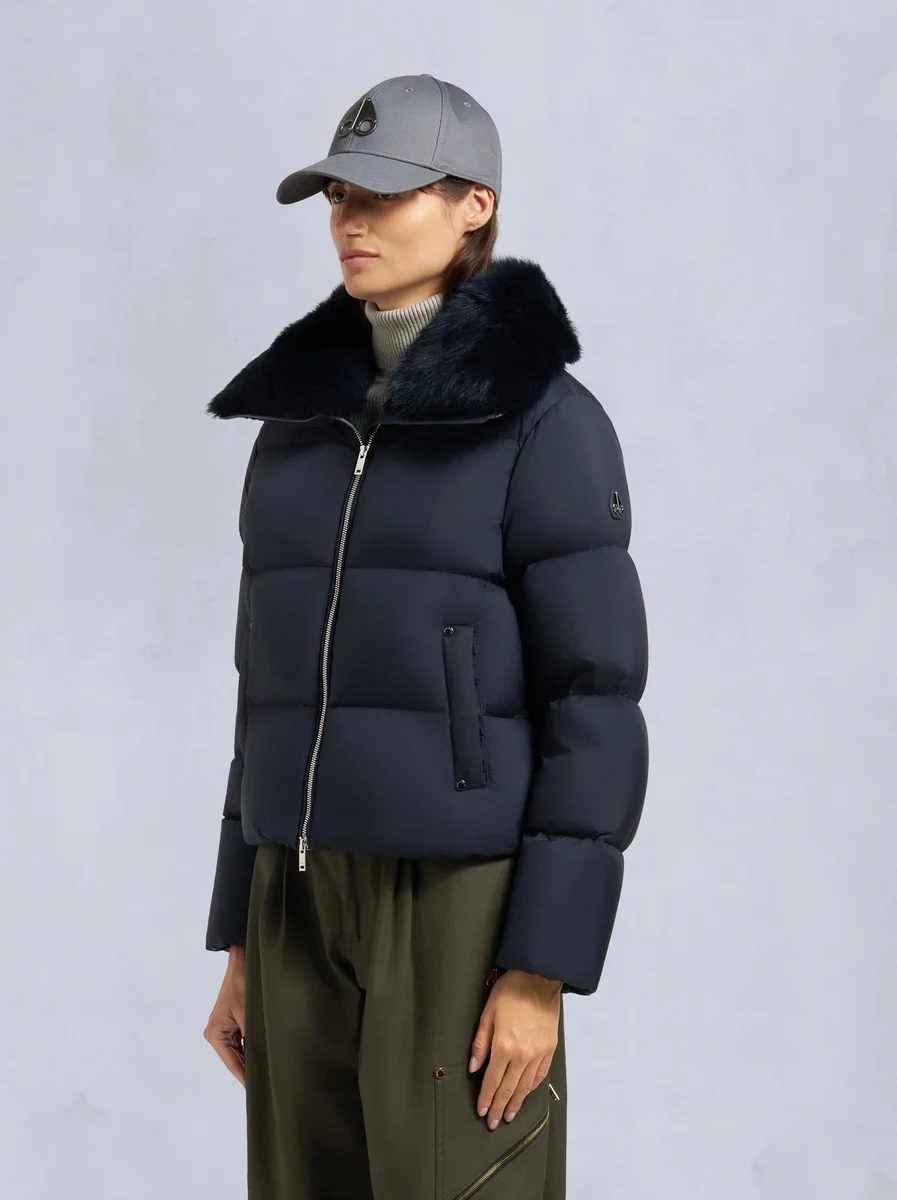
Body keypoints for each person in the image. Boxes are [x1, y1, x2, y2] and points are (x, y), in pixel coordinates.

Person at [201, 73, 649, 1199]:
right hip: (296, 893)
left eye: (384, 193)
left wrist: (542, 964)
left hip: (454, 903)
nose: (349, 221)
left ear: (473, 205)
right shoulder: (295, 429)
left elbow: (594, 702)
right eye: (336, 195)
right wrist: (242, 931)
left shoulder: (545, 425)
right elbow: (265, 696)